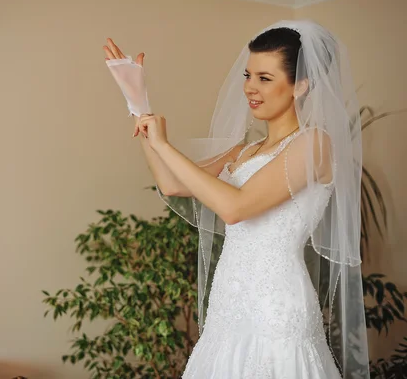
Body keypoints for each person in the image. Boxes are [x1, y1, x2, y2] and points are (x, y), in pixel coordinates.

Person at [104, 19, 369, 378]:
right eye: (248, 75)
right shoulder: (244, 150)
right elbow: (171, 183)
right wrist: (138, 105)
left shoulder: (314, 145)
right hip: (228, 300)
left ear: (301, 85)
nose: (250, 88)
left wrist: (164, 143)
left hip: (276, 307)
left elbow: (235, 207)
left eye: (265, 78)